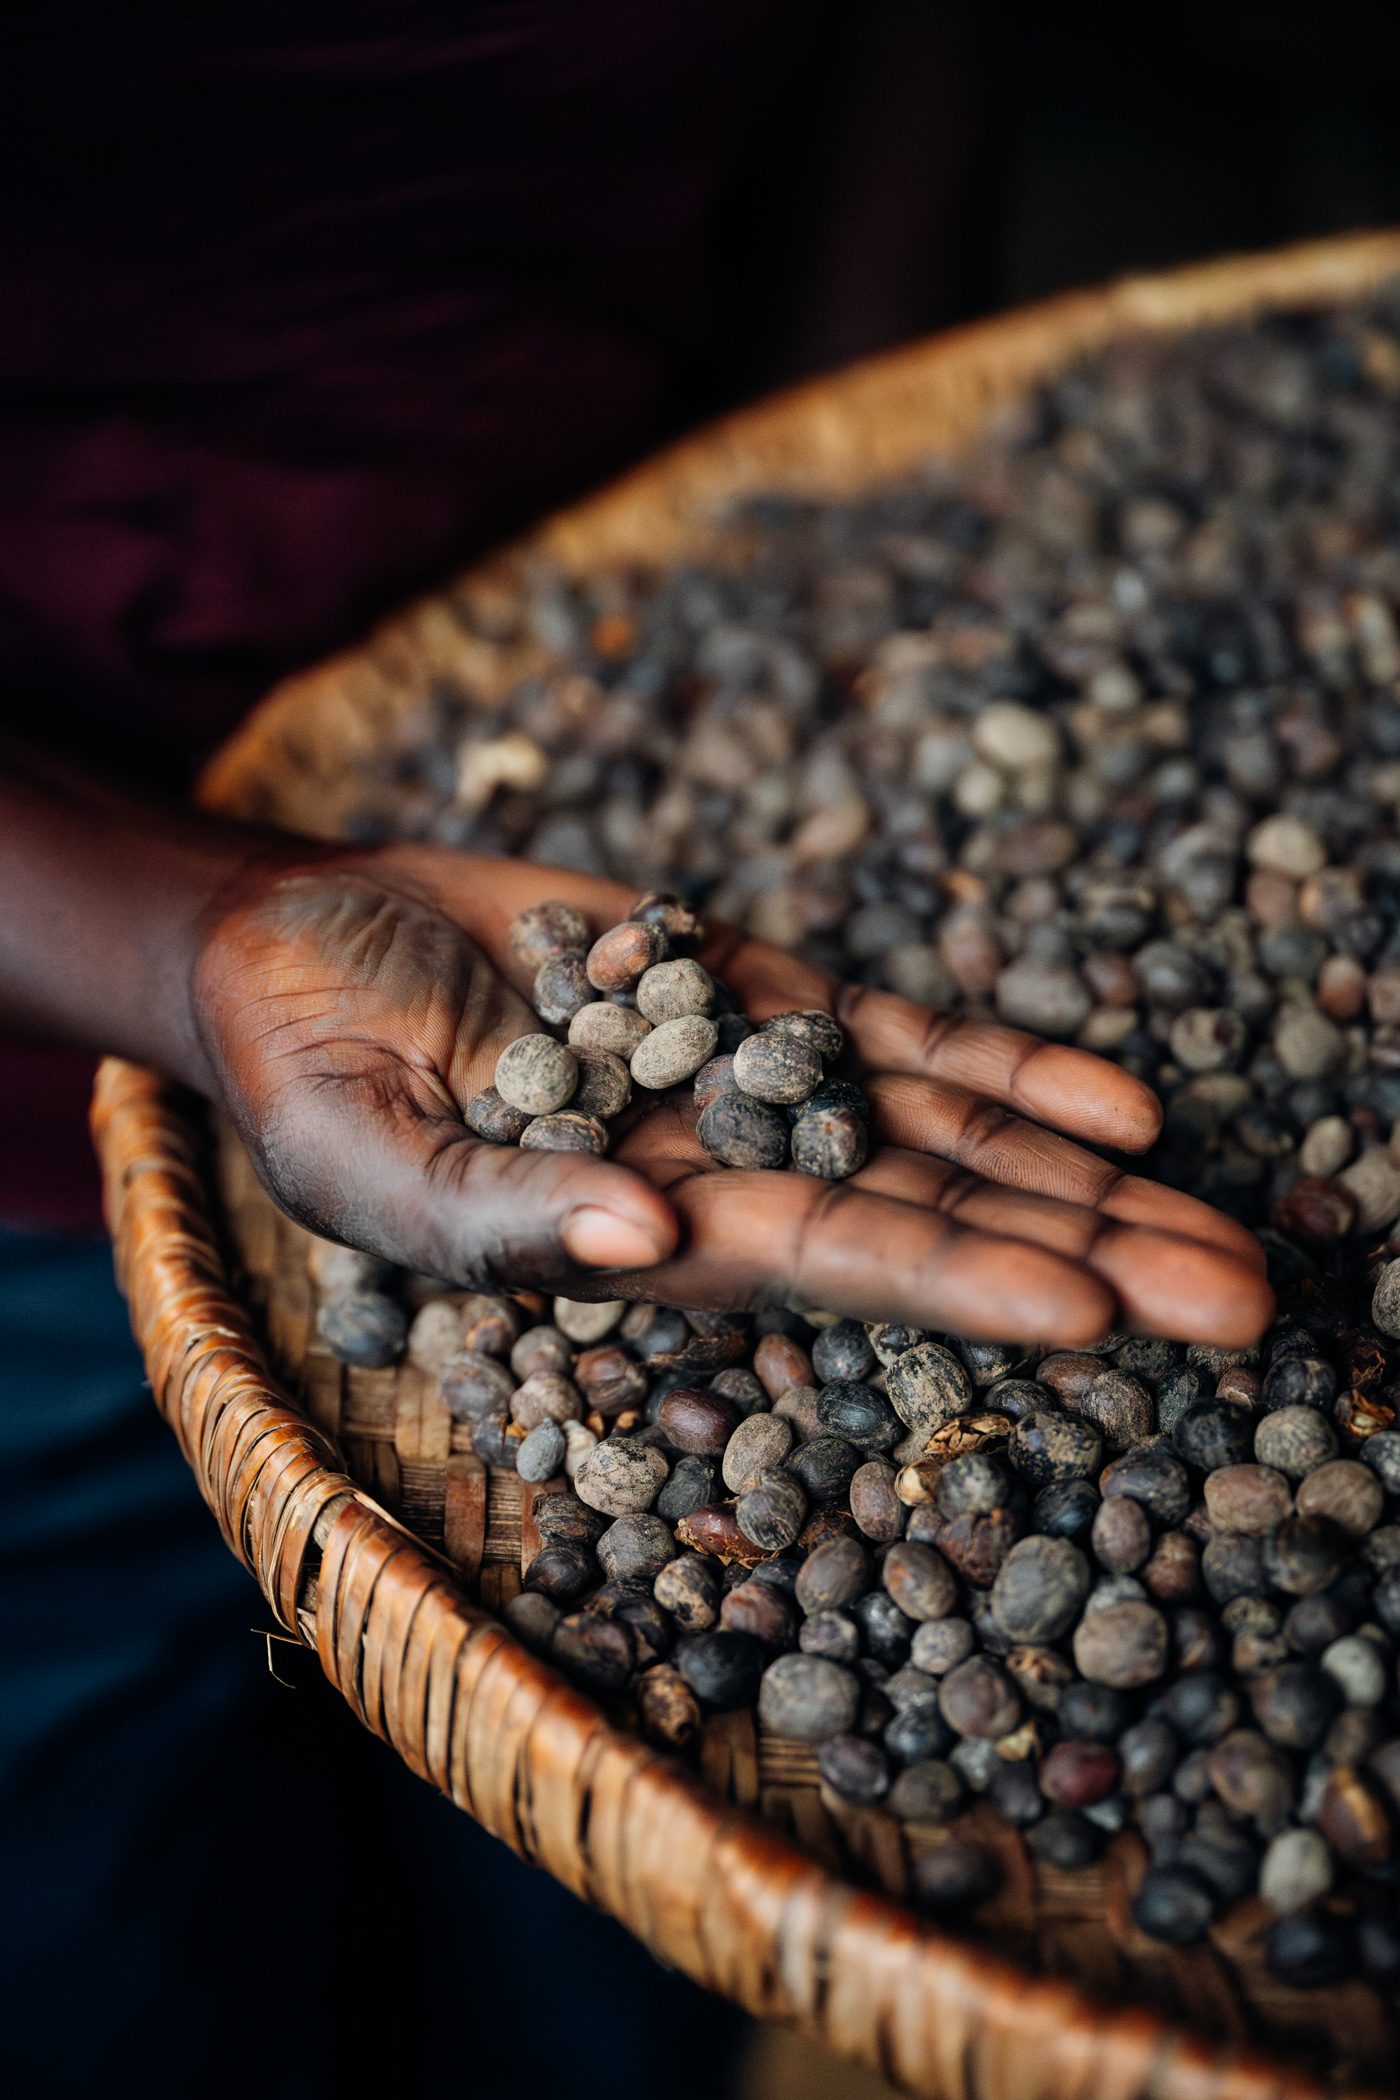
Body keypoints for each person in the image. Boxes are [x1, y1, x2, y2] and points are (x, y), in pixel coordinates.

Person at [0, 10, 1273, 2096]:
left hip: (607, 678)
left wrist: (820, 513)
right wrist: (190, 925)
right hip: (32, 1093)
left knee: (597, 1960)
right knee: (110, 1969)